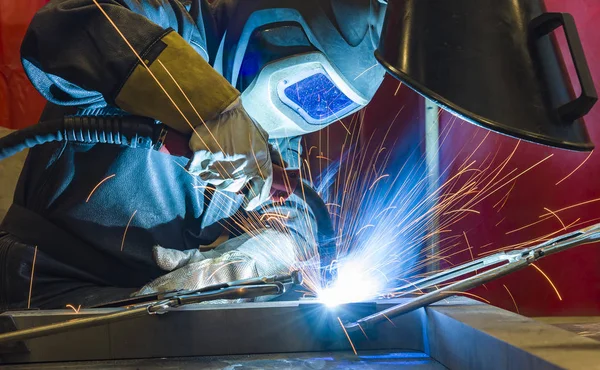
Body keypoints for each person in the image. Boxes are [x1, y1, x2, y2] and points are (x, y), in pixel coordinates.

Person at [0, 0, 386, 309]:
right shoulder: (172, 26)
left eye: (326, 106)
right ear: (276, 32)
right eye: (310, 90)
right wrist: (210, 108)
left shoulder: (276, 128)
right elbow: (61, 28)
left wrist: (267, 252)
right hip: (44, 284)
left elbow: (296, 206)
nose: (307, 110)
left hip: (146, 299)